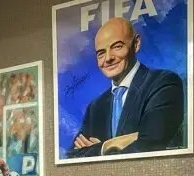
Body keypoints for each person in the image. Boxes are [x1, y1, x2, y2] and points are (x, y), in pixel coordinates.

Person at [67, 17, 184, 158]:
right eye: (101, 53)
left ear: (136, 44)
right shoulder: (95, 107)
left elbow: (149, 145)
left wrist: (98, 149)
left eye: (117, 46)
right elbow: (72, 156)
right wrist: (107, 145)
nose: (108, 58)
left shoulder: (163, 83)